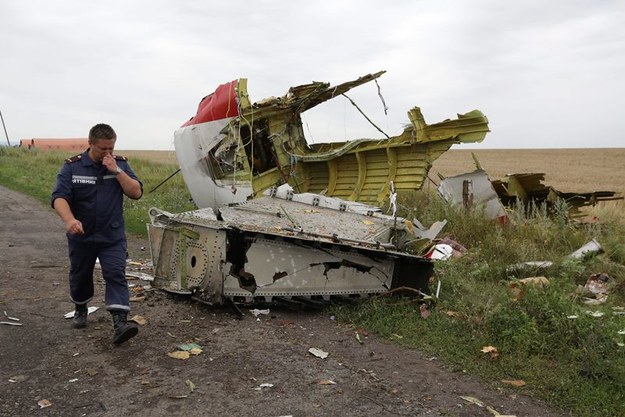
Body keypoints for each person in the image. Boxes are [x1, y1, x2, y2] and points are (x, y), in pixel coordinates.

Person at [51, 123, 143, 345]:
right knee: (80, 275)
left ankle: (120, 323)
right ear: (90, 144)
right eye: (103, 149)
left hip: (111, 236)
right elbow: (59, 197)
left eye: (111, 148)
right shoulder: (72, 167)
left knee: (115, 273)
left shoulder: (119, 165)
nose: (108, 153)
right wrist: (70, 220)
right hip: (81, 236)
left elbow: (136, 192)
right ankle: (81, 308)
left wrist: (116, 171)